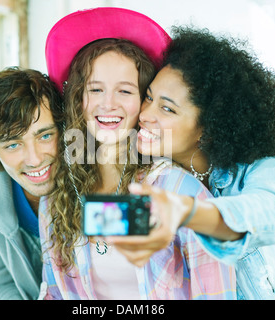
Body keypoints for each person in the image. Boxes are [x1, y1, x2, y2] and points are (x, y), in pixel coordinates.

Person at [39, 8, 236, 300]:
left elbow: (217, 293)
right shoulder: (55, 202)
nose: (108, 104)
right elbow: (53, 293)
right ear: (78, 99)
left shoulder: (179, 191)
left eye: (125, 91)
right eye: (95, 89)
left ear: (144, 103)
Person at [109, 26, 275, 299]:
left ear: (209, 128)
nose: (145, 114)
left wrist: (189, 212)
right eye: (149, 97)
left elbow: (269, 213)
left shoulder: (260, 165)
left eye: (167, 108)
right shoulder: (149, 176)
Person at [0, 67, 63, 299]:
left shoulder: (94, 182)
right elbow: (0, 284)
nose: (35, 159)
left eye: (45, 136)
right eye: (13, 145)